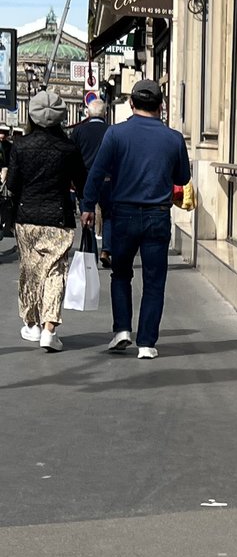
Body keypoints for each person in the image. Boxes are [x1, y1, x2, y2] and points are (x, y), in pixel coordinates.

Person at [81, 79, 190, 359]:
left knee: (121, 274)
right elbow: (182, 177)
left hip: (123, 214)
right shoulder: (174, 138)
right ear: (161, 105)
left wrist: (88, 205)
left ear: (131, 103)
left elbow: (97, 172)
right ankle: (147, 343)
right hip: (158, 215)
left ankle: (121, 330)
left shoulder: (116, 134)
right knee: (154, 280)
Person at [7, 90, 86, 352]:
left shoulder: (20, 146)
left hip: (27, 217)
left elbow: (13, 184)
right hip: (59, 217)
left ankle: (31, 324)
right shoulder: (69, 148)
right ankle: (49, 329)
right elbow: (82, 183)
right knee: (55, 272)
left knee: (30, 270)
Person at [71, 100, 112, 267]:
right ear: (105, 114)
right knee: (108, 215)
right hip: (107, 179)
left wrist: (73, 180)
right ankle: (106, 250)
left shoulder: (79, 131)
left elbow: (73, 157)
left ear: (87, 113)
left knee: (87, 216)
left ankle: (92, 254)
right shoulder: (111, 131)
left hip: (84, 179)